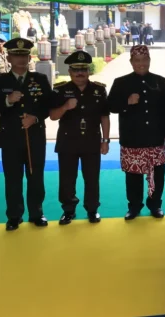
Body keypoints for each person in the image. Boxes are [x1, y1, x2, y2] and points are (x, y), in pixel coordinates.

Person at [0, 38, 52, 230]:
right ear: (9, 57)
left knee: (36, 176)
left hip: (35, 136)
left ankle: (37, 213)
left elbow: (48, 105)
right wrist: (7, 101)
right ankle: (14, 216)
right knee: (13, 178)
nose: (21, 59)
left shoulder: (39, 79)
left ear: (29, 57)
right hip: (11, 138)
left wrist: (35, 118)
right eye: (16, 55)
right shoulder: (0, 81)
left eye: (24, 55)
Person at [107, 45, 165, 220]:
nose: (141, 63)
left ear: (149, 60)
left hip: (155, 137)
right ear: (131, 62)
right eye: (137, 60)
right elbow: (110, 106)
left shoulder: (160, 81)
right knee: (133, 175)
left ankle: (155, 204)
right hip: (132, 138)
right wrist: (127, 101)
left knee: (158, 174)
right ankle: (134, 206)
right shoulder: (121, 82)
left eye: (144, 60)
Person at [49, 51, 110, 224]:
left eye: (83, 69)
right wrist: (65, 107)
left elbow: (104, 116)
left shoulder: (99, 90)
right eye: (76, 70)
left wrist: (105, 140)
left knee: (92, 178)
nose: (80, 73)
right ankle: (68, 210)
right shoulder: (60, 90)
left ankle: (92, 209)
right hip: (68, 142)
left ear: (89, 71)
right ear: (69, 71)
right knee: (67, 179)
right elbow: (52, 116)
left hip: (92, 141)